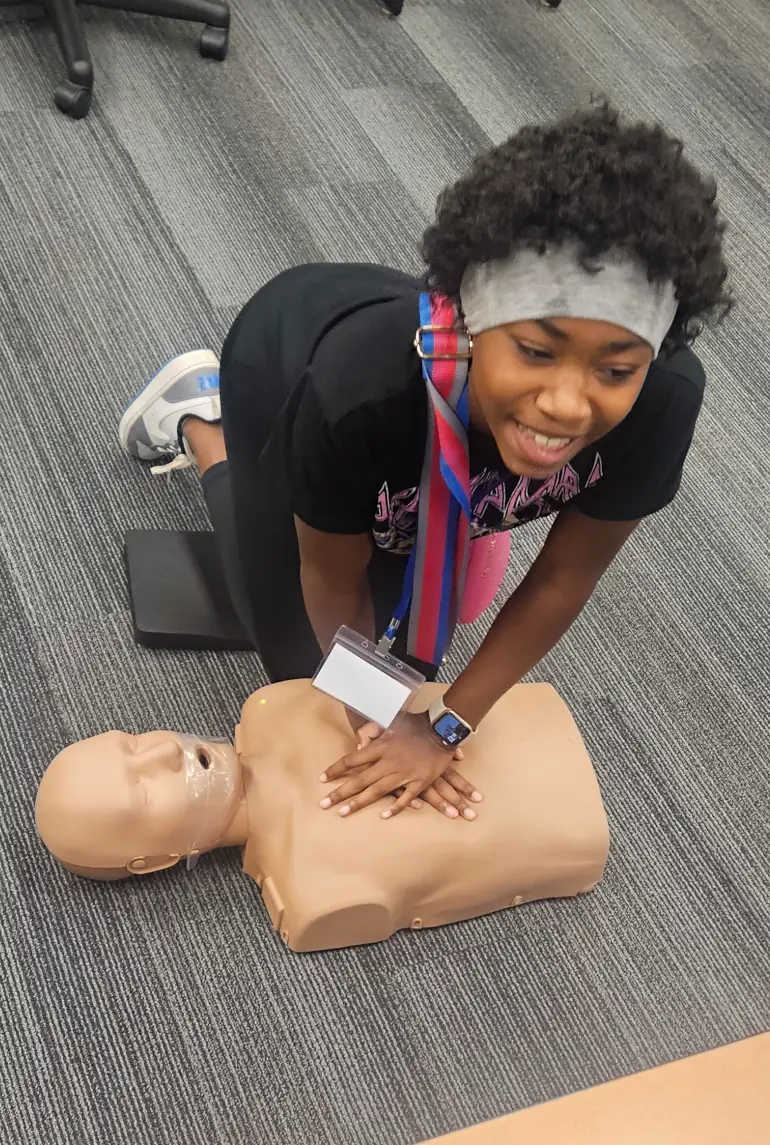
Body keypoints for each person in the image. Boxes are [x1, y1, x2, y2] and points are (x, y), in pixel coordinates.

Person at [119, 103, 731, 824]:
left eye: (616, 369)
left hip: (440, 420)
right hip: (286, 363)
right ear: (471, 321)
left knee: (417, 635)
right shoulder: (355, 399)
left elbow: (565, 578)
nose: (568, 404)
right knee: (302, 666)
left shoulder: (664, 397)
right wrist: (380, 722)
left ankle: (464, 510)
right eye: (536, 351)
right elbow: (330, 582)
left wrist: (444, 727)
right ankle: (201, 421)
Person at [35, 679, 609, 951]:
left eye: (133, 742)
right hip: (572, 829)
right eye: (143, 790)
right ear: (158, 860)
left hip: (513, 705)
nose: (163, 752)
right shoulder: (313, 892)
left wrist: (439, 735)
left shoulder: (270, 705)